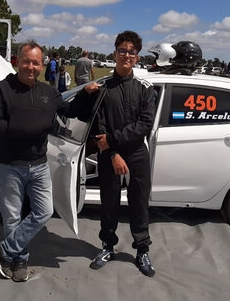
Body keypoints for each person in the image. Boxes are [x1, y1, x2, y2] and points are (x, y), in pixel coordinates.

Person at [0, 41, 94, 282]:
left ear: (42, 65)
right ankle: (18, 260)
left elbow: (69, 111)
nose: (31, 67)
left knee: (44, 211)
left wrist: (86, 94)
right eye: (27, 61)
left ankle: (5, 251)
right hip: (10, 164)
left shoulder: (48, 92)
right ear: (17, 61)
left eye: (36, 63)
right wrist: (18, 128)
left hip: (39, 165)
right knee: (12, 216)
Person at [84, 30, 156, 277]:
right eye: (122, 51)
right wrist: (113, 151)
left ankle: (142, 251)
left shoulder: (145, 88)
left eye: (132, 52)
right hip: (109, 154)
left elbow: (146, 124)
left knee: (139, 203)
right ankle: (107, 247)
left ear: (137, 57)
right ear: (115, 53)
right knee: (109, 203)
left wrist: (114, 140)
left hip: (137, 153)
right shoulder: (103, 87)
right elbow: (99, 126)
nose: (127, 55)